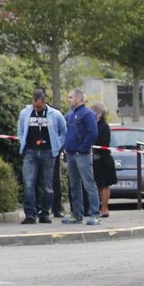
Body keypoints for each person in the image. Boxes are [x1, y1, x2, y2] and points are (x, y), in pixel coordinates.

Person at [16, 89, 65, 225]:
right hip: (31, 152)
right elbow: (20, 130)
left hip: (48, 152)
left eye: (39, 106)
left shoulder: (55, 115)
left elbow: (63, 131)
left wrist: (57, 146)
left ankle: (45, 213)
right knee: (29, 184)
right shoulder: (25, 113)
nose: (36, 108)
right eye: (34, 106)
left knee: (48, 185)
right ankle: (30, 214)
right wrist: (23, 143)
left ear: (44, 102)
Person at [62, 88, 100, 225]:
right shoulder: (70, 114)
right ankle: (76, 214)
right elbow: (66, 133)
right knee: (74, 186)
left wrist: (82, 148)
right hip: (71, 153)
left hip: (82, 155)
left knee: (89, 184)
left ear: (78, 98)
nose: (68, 99)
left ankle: (95, 214)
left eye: (71, 97)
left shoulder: (87, 114)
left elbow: (93, 133)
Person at [90, 103, 116, 218]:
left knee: (104, 184)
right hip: (95, 159)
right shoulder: (94, 125)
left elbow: (103, 143)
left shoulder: (103, 126)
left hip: (103, 160)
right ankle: (98, 207)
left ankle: (104, 208)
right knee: (98, 185)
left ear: (99, 114)